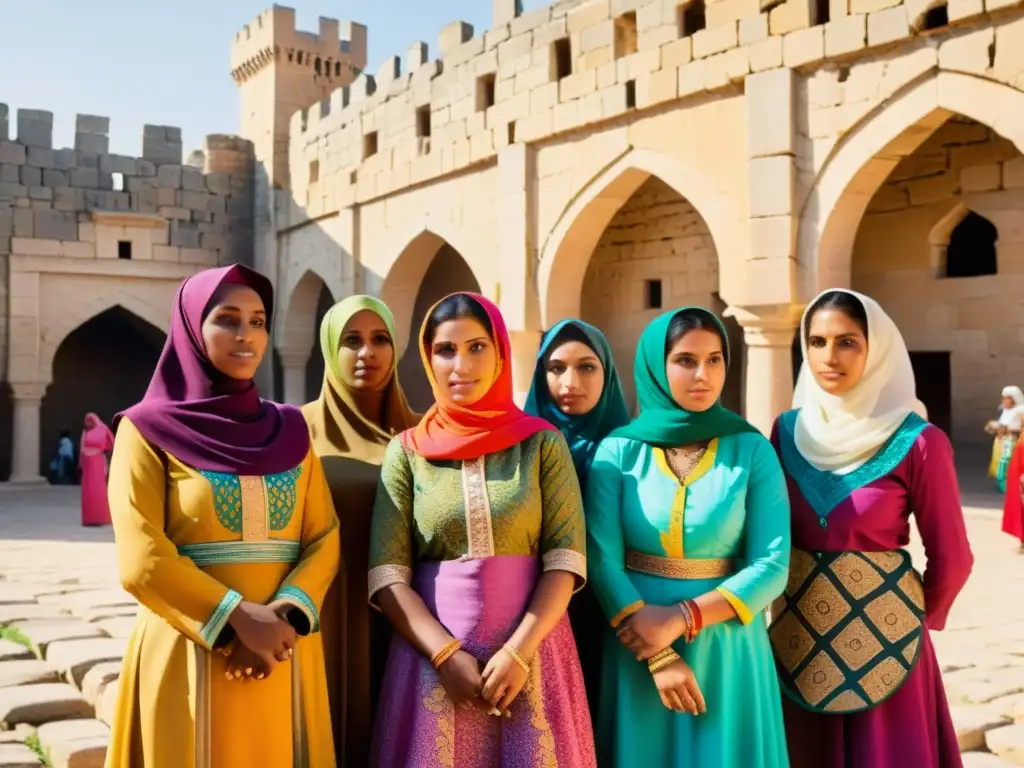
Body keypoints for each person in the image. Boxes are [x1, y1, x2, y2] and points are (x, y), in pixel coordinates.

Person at [103, 264, 341, 768]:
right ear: (191, 328)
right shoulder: (144, 431)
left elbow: (324, 537)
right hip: (191, 648)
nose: (245, 335)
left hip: (285, 649)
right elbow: (141, 560)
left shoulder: (292, 429)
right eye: (227, 319)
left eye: (257, 321)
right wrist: (237, 619)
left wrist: (284, 616)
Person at [368, 292, 596, 767]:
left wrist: (518, 652)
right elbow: (387, 575)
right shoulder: (407, 452)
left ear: (499, 354)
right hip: (430, 665)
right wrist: (445, 656)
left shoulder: (540, 444)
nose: (460, 365)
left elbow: (566, 560)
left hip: (533, 655)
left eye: (476, 347)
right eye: (445, 350)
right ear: (428, 359)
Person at [770, 289, 972, 768]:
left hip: (887, 646)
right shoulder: (786, 431)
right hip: (800, 642)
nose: (828, 357)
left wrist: (905, 619)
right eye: (816, 342)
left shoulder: (919, 442)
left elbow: (953, 557)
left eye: (847, 342)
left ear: (876, 348)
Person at [585, 307, 790, 767]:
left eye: (715, 359)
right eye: (685, 360)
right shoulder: (618, 451)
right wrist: (657, 653)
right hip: (635, 642)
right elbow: (600, 559)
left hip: (727, 646)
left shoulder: (750, 447)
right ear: (658, 366)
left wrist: (683, 617)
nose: (703, 375)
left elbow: (772, 566)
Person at [302, 294, 419, 766]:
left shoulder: (421, 433)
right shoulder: (296, 430)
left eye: (380, 339)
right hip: (324, 607)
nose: (367, 352)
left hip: (407, 611)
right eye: (352, 340)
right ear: (331, 348)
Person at [523, 318, 629, 720]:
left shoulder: (634, 452)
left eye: (586, 367)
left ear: (607, 372)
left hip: (613, 615)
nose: (570, 381)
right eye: (556, 368)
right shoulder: (516, 448)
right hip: (534, 614)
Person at [985, 386, 1024, 492]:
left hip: (1012, 441)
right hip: (1002, 441)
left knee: (1008, 463)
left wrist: (1007, 429)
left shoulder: (1020, 410)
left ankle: (1010, 486)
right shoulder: (1006, 410)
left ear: (1013, 399)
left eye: (1007, 398)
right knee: (999, 462)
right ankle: (1002, 484)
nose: (1004, 400)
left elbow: (1019, 427)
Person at [80, 413, 114, 526]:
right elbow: (82, 447)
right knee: (90, 489)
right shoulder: (87, 432)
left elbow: (111, 443)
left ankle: (99, 517)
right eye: (86, 421)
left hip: (97, 462)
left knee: (97, 488)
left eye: (90, 421)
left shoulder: (101, 430)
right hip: (90, 463)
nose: (88, 423)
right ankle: (91, 517)